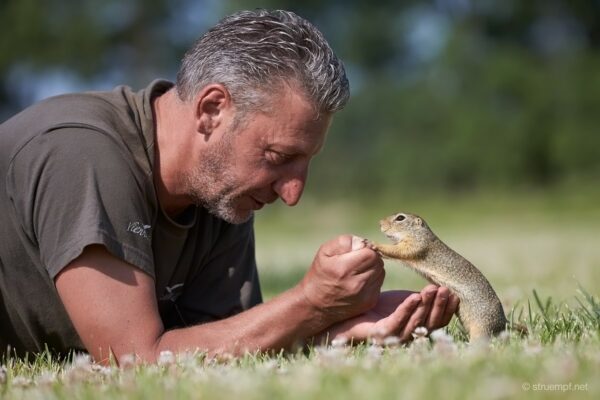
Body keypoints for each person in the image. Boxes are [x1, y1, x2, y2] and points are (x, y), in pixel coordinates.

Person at [0, 9, 458, 364]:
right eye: (279, 158)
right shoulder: (82, 153)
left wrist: (341, 328)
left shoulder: (221, 192)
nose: (292, 193)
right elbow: (135, 360)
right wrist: (310, 304)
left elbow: (218, 344)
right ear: (212, 110)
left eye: (305, 163)